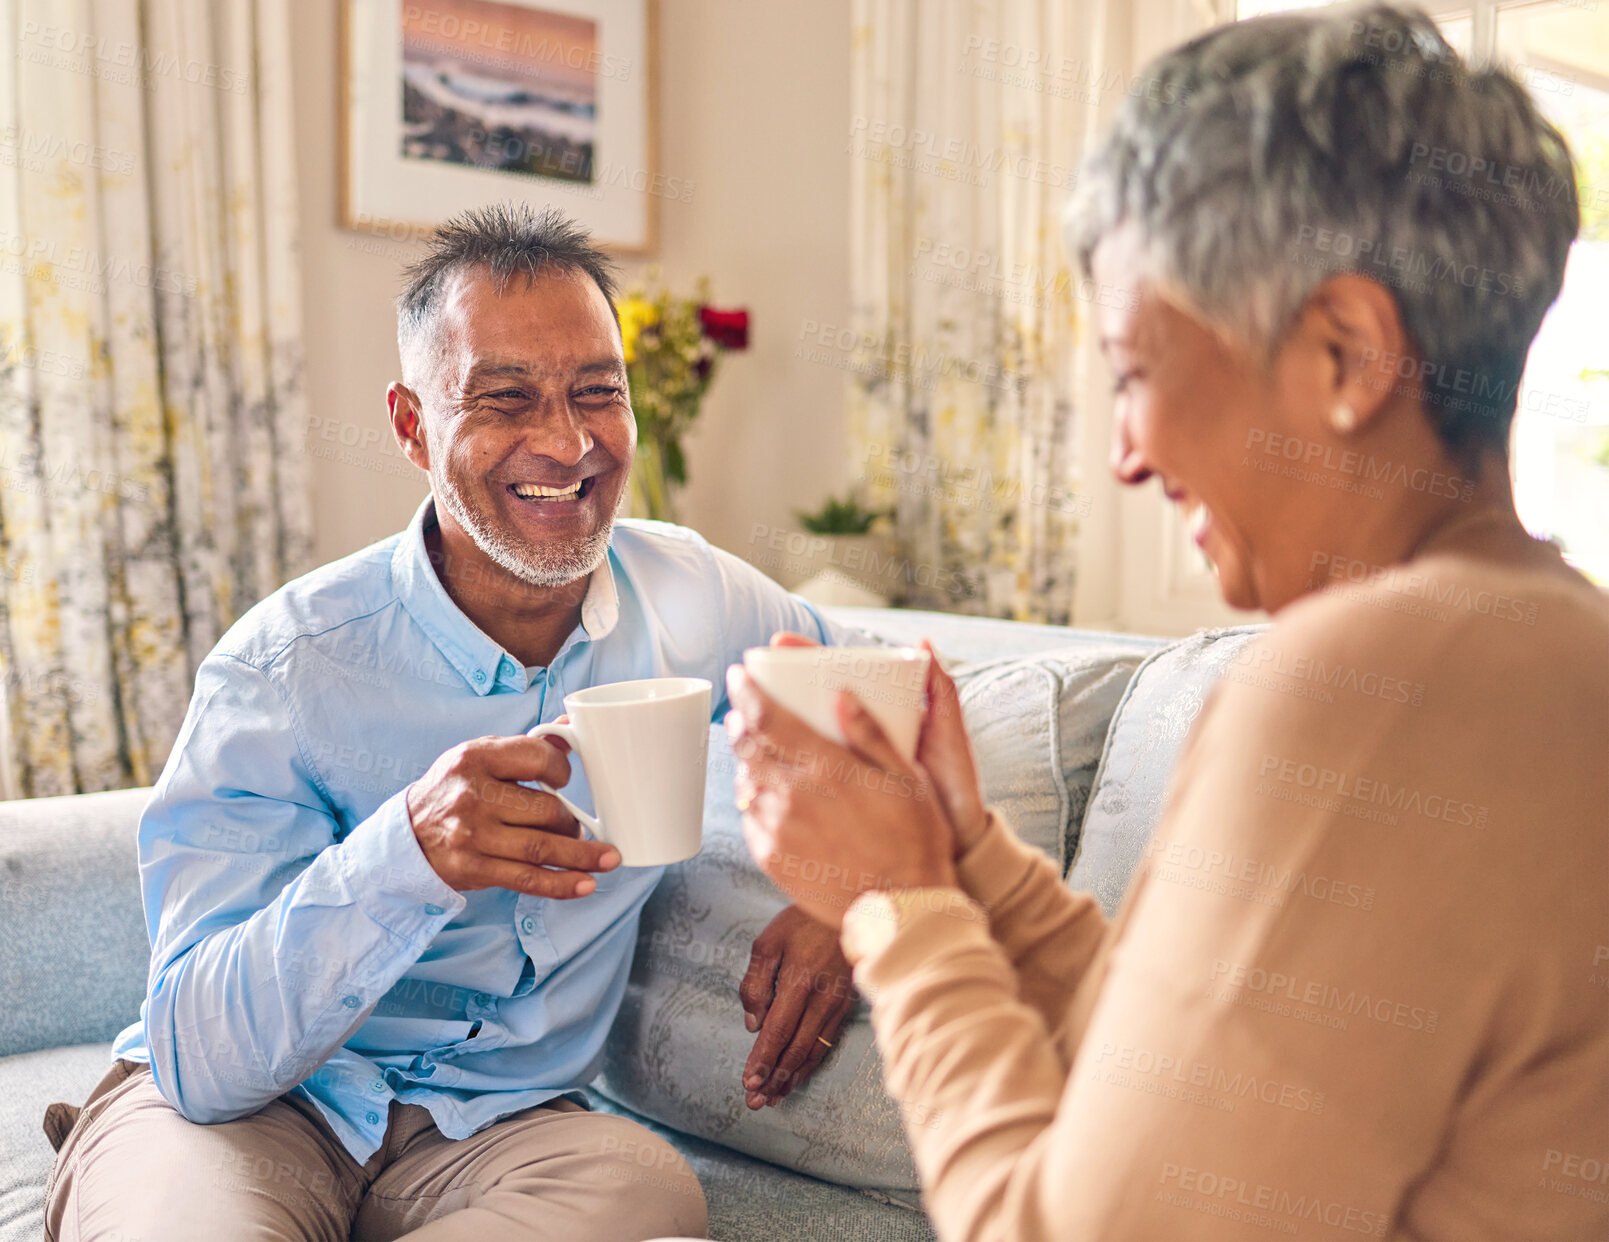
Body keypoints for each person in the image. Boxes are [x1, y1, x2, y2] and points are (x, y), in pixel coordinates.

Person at [724, 5, 1609, 1239]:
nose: (1125, 455)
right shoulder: (1541, 648)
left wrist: (888, 899)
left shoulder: (1377, 675)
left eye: (1135, 372)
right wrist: (963, 855)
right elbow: (1192, 1090)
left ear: (1348, 352)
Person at [43, 203, 860, 1242]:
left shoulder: (693, 593)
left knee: (650, 1196)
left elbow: (878, 690)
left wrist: (852, 891)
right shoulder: (284, 667)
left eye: (596, 394)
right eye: (505, 398)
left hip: (505, 1127)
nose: (567, 444)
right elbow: (201, 1058)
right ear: (411, 427)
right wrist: (409, 853)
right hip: (251, 1112)